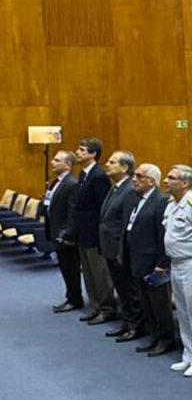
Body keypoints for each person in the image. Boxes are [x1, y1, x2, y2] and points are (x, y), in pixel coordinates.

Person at [162, 165, 192, 377]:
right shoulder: (172, 204)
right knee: (182, 311)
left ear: (184, 183)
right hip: (175, 263)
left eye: (171, 177)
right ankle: (188, 354)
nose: (165, 181)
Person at [123, 164, 174, 357]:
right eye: (135, 175)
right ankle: (154, 336)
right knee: (146, 303)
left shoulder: (161, 201)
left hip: (154, 262)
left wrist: (162, 263)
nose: (134, 179)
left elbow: (163, 235)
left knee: (159, 304)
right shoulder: (139, 199)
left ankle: (166, 340)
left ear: (152, 182)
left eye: (140, 176)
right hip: (138, 259)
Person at [73, 138, 117, 325]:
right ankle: (96, 306)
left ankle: (107, 308)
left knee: (99, 274)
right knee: (89, 274)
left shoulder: (98, 176)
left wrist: (101, 235)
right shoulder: (83, 174)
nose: (77, 152)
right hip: (83, 233)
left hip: (95, 235)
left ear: (93, 154)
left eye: (82, 150)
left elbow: (103, 208)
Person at [97, 151, 140, 339]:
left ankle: (135, 326)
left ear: (124, 168)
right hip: (110, 247)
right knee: (121, 289)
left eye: (112, 162)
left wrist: (122, 251)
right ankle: (127, 321)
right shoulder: (116, 187)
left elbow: (126, 225)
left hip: (120, 250)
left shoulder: (129, 190)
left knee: (129, 290)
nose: (107, 164)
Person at [46, 151, 84, 313]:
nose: (52, 162)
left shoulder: (71, 183)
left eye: (57, 160)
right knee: (65, 268)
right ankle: (71, 297)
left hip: (65, 236)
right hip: (56, 231)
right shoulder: (56, 181)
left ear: (68, 165)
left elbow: (73, 212)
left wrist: (67, 234)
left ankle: (75, 300)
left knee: (70, 269)